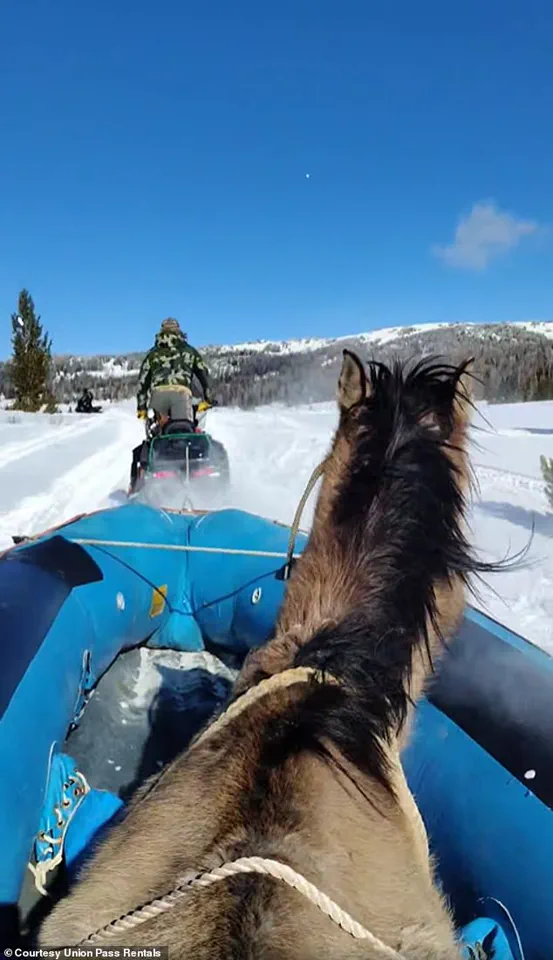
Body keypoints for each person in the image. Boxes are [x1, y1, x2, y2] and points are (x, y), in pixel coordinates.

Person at [136, 318, 212, 425]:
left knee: (158, 430)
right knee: (182, 428)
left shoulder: (152, 354)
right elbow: (204, 374)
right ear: (179, 331)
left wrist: (141, 408)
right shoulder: (190, 351)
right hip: (181, 393)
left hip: (158, 394)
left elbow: (142, 382)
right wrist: (208, 399)